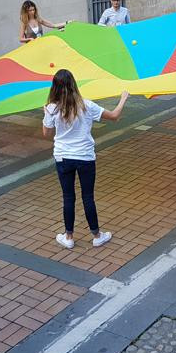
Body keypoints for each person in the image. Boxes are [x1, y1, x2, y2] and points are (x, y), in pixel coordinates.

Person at [43, 70, 128, 249]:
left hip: (63, 157)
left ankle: (68, 237)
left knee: (68, 197)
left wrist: (46, 114)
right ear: (74, 84)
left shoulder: (52, 108)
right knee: (88, 196)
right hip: (85, 157)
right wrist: (123, 99)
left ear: (55, 87)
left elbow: (47, 134)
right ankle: (97, 235)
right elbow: (114, 116)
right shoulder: (86, 106)